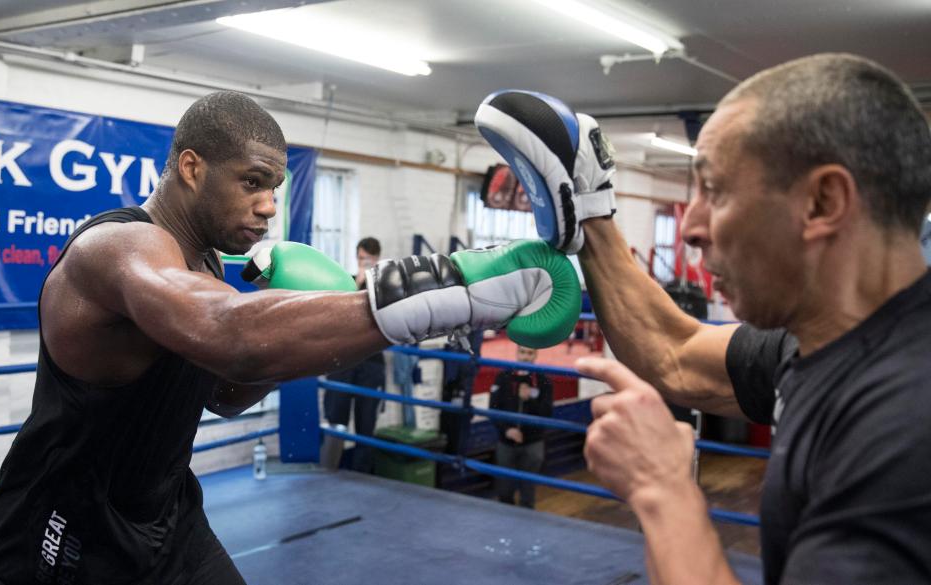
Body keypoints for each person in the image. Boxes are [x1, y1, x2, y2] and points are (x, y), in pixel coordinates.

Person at [0, 91, 580, 585]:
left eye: (275, 187)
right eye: (252, 183)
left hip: (168, 517)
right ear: (192, 168)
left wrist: (319, 332)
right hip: (65, 532)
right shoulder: (117, 248)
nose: (269, 206)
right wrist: (444, 292)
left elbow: (225, 390)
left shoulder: (206, 264)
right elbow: (228, 332)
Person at [477, 54, 931, 584]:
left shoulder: (908, 425)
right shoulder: (820, 339)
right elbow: (676, 355)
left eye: (714, 191)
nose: (690, 227)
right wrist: (591, 214)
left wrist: (662, 489)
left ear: (822, 202)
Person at [324, 237, 385, 473]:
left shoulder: (385, 285)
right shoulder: (346, 282)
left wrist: (371, 280)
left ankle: (362, 476)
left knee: (366, 424)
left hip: (371, 363)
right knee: (336, 419)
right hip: (344, 361)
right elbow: (336, 316)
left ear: (377, 259)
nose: (364, 263)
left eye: (368, 260)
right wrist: (358, 283)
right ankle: (328, 471)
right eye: (361, 259)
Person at [489, 345, 553, 508]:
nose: (525, 357)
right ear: (517, 353)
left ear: (535, 355)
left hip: (533, 442)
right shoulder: (503, 377)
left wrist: (530, 399)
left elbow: (547, 413)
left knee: (528, 491)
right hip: (506, 442)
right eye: (523, 352)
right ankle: (504, 524)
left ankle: (526, 527)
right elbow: (493, 409)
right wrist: (507, 430)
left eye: (530, 353)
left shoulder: (543, 380)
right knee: (504, 489)